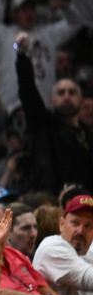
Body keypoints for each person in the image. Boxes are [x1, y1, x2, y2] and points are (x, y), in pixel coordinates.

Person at [15, 32, 93, 193]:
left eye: (72, 92)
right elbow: (28, 91)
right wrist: (22, 55)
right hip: (52, 203)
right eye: (61, 92)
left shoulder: (87, 134)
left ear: (81, 99)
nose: (66, 97)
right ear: (52, 100)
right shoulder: (44, 126)